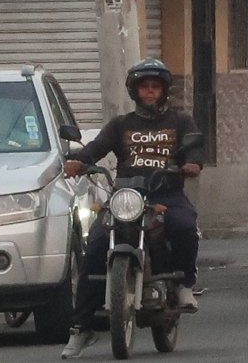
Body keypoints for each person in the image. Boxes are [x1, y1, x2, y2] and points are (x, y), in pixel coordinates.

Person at [60, 57, 205, 360]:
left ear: (163, 91)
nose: (149, 92)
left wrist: (191, 164)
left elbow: (194, 150)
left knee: (184, 226)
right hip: (125, 195)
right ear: (135, 91)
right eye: (144, 87)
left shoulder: (181, 121)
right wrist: (79, 161)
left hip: (167, 191)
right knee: (96, 245)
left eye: (155, 87)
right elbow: (95, 149)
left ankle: (184, 285)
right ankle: (81, 328)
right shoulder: (121, 125)